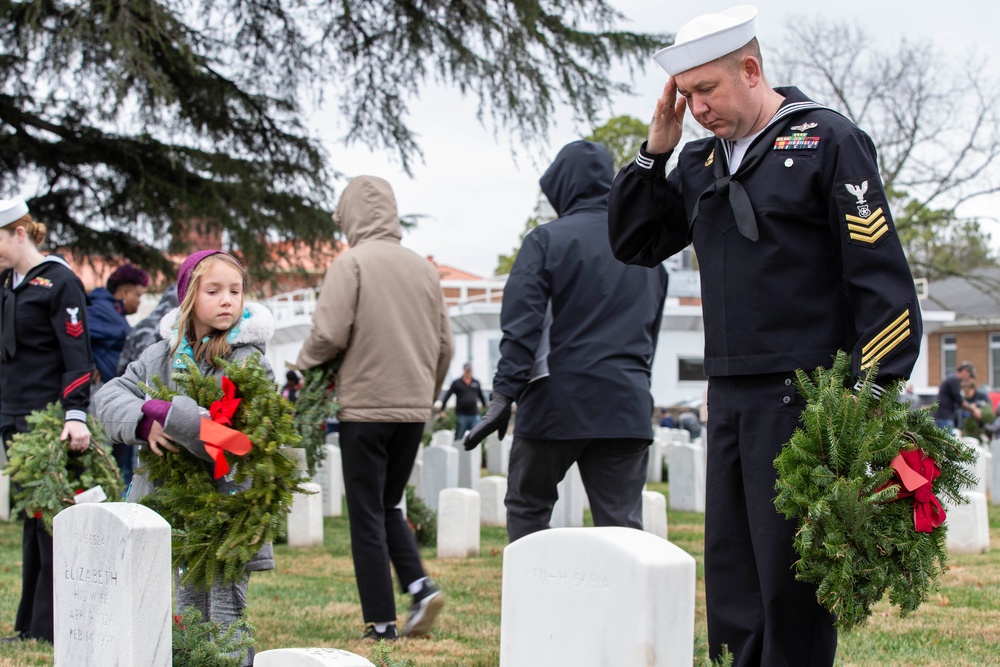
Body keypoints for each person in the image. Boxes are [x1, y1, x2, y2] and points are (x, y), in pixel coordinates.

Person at [605, 6, 922, 666]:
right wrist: (653, 150)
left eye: (707, 91)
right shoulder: (697, 162)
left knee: (791, 584)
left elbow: (880, 278)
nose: (696, 108)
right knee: (733, 579)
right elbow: (635, 240)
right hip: (730, 395)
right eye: (686, 95)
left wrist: (871, 401)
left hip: (808, 398)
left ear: (751, 70)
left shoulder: (826, 141)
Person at [464, 140, 668, 542]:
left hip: (555, 403)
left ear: (562, 187)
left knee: (528, 510)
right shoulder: (648, 255)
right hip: (626, 407)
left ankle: (534, 605)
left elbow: (521, 327)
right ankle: (622, 607)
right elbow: (650, 339)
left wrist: (503, 396)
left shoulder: (546, 241)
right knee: (623, 531)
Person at [93, 250, 274, 667]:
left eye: (236, 290)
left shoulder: (249, 361)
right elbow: (108, 396)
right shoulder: (159, 356)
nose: (228, 300)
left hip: (227, 512)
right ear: (189, 298)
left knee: (225, 616)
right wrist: (145, 421)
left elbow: (234, 440)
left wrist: (171, 415)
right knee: (187, 612)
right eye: (214, 291)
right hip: (172, 506)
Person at [296, 176, 453, 641]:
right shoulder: (424, 270)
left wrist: (302, 369)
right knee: (388, 504)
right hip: (411, 410)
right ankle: (420, 587)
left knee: (365, 512)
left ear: (350, 216)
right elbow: (445, 345)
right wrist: (425, 393)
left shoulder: (353, 264)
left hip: (364, 407)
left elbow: (329, 334)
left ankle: (381, 623)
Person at [0, 196, 95, 644]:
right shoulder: (7, 283)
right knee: (30, 517)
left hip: (48, 419)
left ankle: (54, 625)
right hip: (12, 416)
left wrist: (75, 414)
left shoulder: (59, 282)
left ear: (20, 233)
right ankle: (31, 624)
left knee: (51, 522)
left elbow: (77, 354)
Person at [87, 263, 150, 487]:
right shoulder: (101, 310)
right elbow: (74, 333)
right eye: (137, 295)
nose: (139, 301)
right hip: (101, 400)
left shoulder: (113, 313)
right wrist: (89, 362)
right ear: (124, 292)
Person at [439, 362, 487, 439]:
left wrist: (486, 409)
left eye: (470, 370)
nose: (468, 372)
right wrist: (442, 410)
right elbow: (447, 396)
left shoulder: (476, 382)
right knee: (459, 437)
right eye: (467, 370)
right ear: (464, 370)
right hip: (461, 415)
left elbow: (481, 397)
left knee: (475, 437)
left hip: (474, 414)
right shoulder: (456, 383)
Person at [933, 362, 980, 430]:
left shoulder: (952, 378)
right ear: (965, 371)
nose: (969, 379)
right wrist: (973, 410)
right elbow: (960, 401)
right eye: (970, 375)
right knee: (949, 440)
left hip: (943, 416)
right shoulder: (954, 380)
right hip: (944, 417)